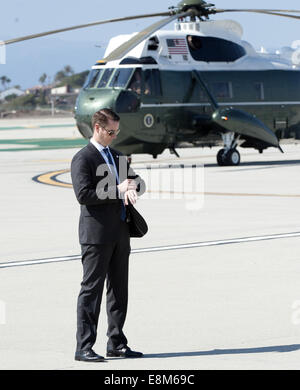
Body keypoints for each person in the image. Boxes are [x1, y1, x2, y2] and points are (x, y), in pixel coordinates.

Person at [71, 108, 145, 362]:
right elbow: (84, 195)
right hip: (96, 235)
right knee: (91, 290)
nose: (114, 136)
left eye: (117, 132)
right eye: (111, 132)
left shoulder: (117, 155)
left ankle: (117, 342)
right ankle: (84, 347)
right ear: (98, 128)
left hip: (120, 233)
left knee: (118, 290)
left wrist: (134, 185)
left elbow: (138, 183)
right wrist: (117, 189)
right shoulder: (83, 158)